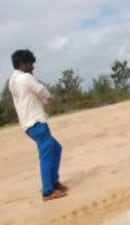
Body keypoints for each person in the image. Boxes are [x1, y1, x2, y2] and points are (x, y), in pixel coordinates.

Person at [8, 49, 68, 201]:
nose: (33, 67)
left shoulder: (13, 80)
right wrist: (48, 98)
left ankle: (53, 182)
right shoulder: (25, 77)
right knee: (46, 154)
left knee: (55, 148)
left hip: (27, 125)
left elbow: (30, 96)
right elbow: (42, 91)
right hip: (36, 122)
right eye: (30, 64)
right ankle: (48, 191)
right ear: (23, 64)